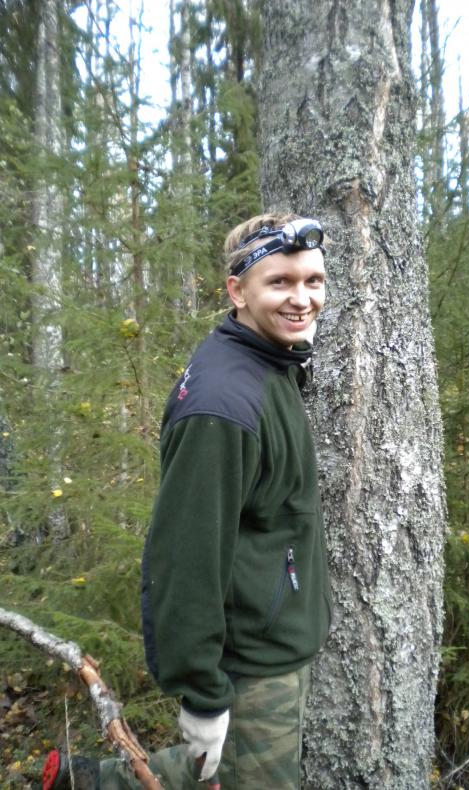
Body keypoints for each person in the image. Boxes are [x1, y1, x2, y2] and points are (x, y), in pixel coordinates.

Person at [42, 212, 332, 790]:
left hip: (270, 640)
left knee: (232, 769)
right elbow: (186, 557)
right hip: (249, 663)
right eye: (279, 282)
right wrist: (202, 697)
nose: (302, 300)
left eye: (313, 281)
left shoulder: (270, 359)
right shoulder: (224, 403)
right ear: (237, 291)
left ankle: (85, 782)